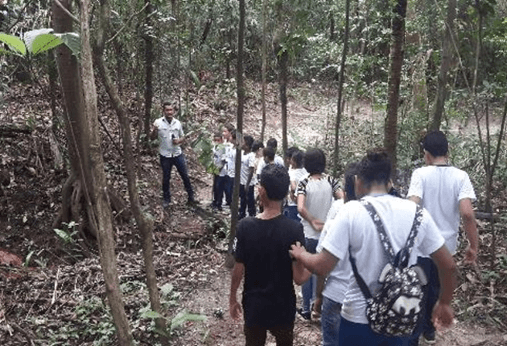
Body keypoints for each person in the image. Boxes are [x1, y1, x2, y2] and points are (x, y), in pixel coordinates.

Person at [289, 148, 458, 346]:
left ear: (357, 182)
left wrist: (301, 255)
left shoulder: (351, 212)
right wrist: (444, 302)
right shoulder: (418, 214)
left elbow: (322, 266)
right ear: (389, 182)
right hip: (399, 316)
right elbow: (449, 266)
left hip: (358, 319)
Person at [407, 130, 478, 345]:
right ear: (447, 151)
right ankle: (429, 331)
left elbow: (412, 205)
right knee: (436, 290)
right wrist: (473, 246)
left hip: (420, 246)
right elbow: (467, 213)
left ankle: (412, 335)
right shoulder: (461, 176)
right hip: (446, 248)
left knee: (416, 289)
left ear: (426, 153)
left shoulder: (420, 174)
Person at [229, 164, 311, 346]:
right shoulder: (294, 229)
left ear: (262, 191)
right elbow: (299, 278)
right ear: (284, 194)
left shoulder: (244, 226)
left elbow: (238, 269)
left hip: (254, 305)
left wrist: (232, 298)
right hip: (283, 306)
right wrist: (312, 266)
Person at [314, 162, 358, 345]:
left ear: (345, 193)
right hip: (362, 300)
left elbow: (321, 267)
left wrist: (318, 296)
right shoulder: (379, 223)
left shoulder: (334, 222)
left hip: (335, 294)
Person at [296, 148, 341, 320]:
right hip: (326, 234)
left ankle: (306, 309)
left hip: (308, 232)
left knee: (307, 270)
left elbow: (300, 207)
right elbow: (342, 199)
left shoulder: (304, 182)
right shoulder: (331, 180)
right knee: (321, 272)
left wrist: (312, 219)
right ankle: (318, 307)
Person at [151, 101, 195, 208]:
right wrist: (154, 130)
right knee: (166, 178)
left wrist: (179, 141)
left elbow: (183, 137)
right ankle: (167, 199)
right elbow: (152, 138)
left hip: (177, 154)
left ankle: (191, 198)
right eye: (167, 110)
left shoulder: (178, 123)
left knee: (185, 176)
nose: (170, 112)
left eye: (171, 110)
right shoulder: (158, 123)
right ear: (163, 111)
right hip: (165, 155)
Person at [283, 149, 307, 222]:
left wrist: (292, 194)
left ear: (295, 162)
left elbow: (293, 187)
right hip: (304, 201)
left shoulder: (293, 174)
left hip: (293, 204)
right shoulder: (304, 170)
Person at [239, 135, 257, 219]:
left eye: (243, 142)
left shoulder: (251, 156)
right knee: (242, 199)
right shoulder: (242, 153)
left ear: (247, 145)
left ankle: (252, 215)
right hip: (241, 180)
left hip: (248, 182)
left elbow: (251, 170)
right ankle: (242, 214)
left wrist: (247, 183)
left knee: (249, 199)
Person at [212, 131, 227, 212]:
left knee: (219, 187)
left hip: (221, 171)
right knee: (215, 187)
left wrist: (219, 169)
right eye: (215, 140)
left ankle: (219, 203)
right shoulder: (215, 147)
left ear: (222, 140)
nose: (217, 142)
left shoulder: (223, 148)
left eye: (218, 140)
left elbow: (224, 161)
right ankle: (214, 202)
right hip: (215, 169)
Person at [223, 124, 236, 208]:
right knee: (225, 186)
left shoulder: (233, 145)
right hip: (225, 167)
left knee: (230, 186)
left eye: (225, 131)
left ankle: (231, 202)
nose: (223, 133)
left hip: (232, 169)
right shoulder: (224, 142)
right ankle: (228, 201)